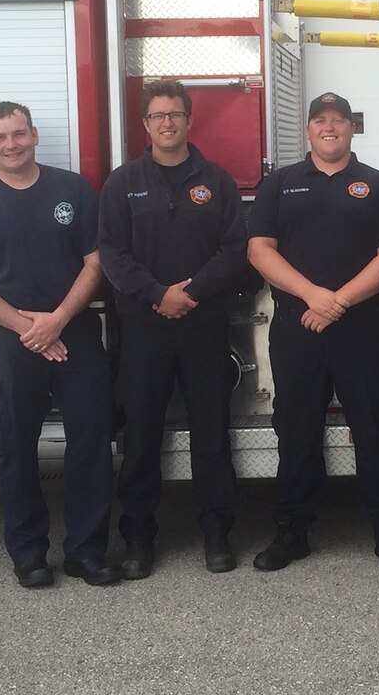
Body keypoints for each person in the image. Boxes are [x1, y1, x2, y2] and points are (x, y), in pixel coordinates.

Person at [0, 102, 118, 588]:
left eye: (18, 133)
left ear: (34, 135)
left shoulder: (73, 190)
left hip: (75, 333)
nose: (10, 144)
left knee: (91, 440)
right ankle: (29, 554)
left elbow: (96, 262)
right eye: (0, 137)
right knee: (15, 446)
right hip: (10, 341)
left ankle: (86, 552)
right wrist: (27, 328)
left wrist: (57, 320)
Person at [247, 92, 379, 572]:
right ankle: (292, 531)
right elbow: (259, 250)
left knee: (373, 427)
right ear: (309, 129)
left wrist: (338, 302)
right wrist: (313, 296)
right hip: (298, 326)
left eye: (339, 119)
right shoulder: (279, 185)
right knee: (296, 427)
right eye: (320, 120)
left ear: (352, 128)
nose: (330, 127)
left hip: (361, 326)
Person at [99, 80, 247, 578]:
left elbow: (234, 250)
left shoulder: (217, 181)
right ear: (146, 123)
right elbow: (112, 253)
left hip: (204, 326)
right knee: (141, 435)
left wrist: (192, 292)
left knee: (212, 433)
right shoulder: (123, 183)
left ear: (189, 120)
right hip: (144, 329)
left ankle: (217, 533)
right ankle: (138, 538)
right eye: (158, 115)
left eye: (176, 114)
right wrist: (157, 294)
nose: (168, 123)